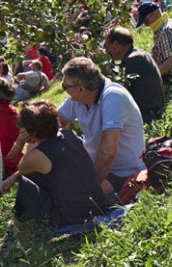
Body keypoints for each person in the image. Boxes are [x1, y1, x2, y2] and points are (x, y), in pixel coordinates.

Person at [1, 99, 113, 227]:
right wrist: (14, 176)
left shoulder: (39, 155)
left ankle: (17, 227)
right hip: (97, 208)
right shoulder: (70, 136)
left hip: (70, 220)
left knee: (25, 184)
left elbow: (23, 168)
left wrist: (24, 141)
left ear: (32, 131)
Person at [57, 57, 147, 197]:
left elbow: (108, 153)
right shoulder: (79, 98)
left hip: (121, 171)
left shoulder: (113, 98)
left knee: (80, 201)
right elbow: (54, 123)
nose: (64, 90)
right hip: (92, 164)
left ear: (80, 89)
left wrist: (88, 188)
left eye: (65, 86)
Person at [104, 26, 165, 124]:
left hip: (147, 115)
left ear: (116, 44)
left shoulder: (132, 60)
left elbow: (117, 91)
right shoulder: (136, 54)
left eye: (107, 47)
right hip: (150, 111)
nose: (107, 51)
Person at [137, 1, 172, 80]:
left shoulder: (166, 31)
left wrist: (154, 75)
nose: (146, 25)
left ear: (154, 15)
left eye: (145, 22)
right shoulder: (164, 25)